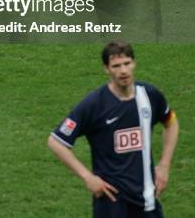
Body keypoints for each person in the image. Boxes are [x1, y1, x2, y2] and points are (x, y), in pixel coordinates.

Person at [48, 41, 179, 217]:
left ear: (134, 63)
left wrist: (164, 165)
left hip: (147, 198)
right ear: (106, 69)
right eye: (116, 66)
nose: (123, 71)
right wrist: (88, 178)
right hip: (110, 201)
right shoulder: (94, 104)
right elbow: (56, 142)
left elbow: (171, 123)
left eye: (127, 63)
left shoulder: (149, 95)